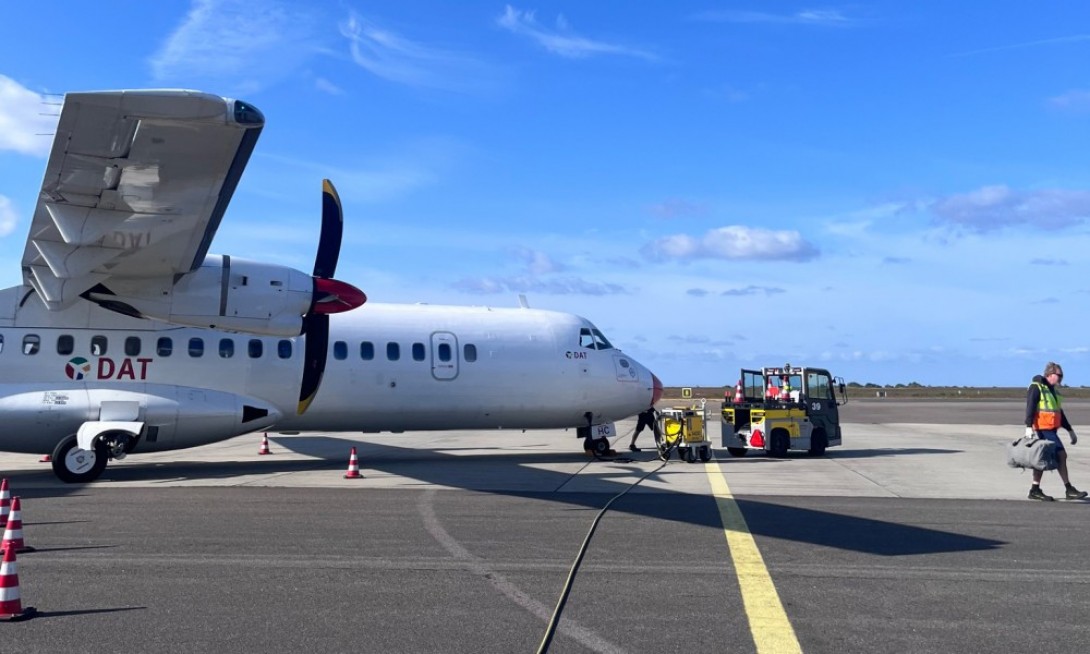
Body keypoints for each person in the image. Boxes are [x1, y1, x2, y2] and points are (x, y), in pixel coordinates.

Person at [1025, 362, 1088, 501]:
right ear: (1049, 374)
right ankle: (1068, 488)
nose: (1061, 378)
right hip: (1043, 429)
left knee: (1042, 459)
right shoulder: (1037, 387)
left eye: (1062, 375)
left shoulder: (1053, 390)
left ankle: (1035, 489)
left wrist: (1070, 430)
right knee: (1061, 455)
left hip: (1051, 429)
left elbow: (1059, 412)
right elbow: (1030, 407)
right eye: (1059, 375)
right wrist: (1028, 427)